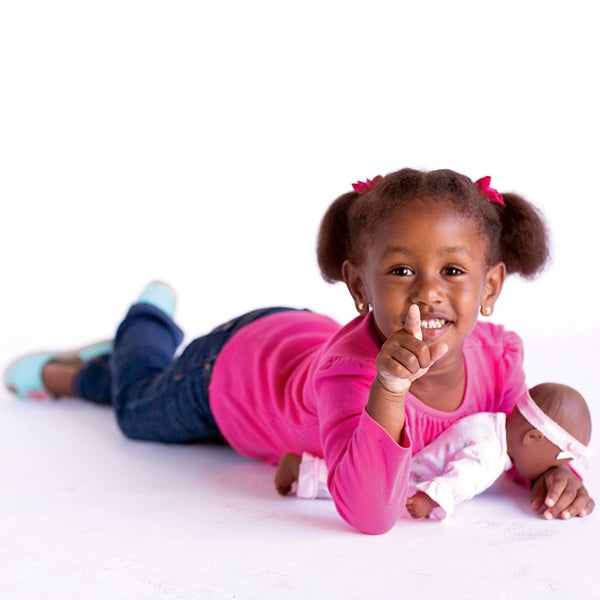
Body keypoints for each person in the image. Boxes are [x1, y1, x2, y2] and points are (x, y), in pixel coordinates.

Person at [4, 168, 594, 534]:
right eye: (401, 269)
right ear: (360, 287)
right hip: (230, 371)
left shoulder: (497, 357)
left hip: (293, 339)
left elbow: (519, 440)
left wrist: (556, 470)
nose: (428, 291)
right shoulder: (353, 375)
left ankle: (126, 355)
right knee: (134, 409)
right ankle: (137, 331)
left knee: (153, 395)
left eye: (453, 270)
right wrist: (389, 389)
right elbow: (368, 515)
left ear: (489, 286)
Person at [274, 382, 593, 520]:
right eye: (560, 458)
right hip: (418, 477)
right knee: (367, 489)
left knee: (363, 472)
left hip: (419, 457)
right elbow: (462, 478)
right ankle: (304, 471)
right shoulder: (490, 457)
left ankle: (306, 468)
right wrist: (433, 498)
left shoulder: (491, 420)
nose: (555, 467)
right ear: (533, 437)